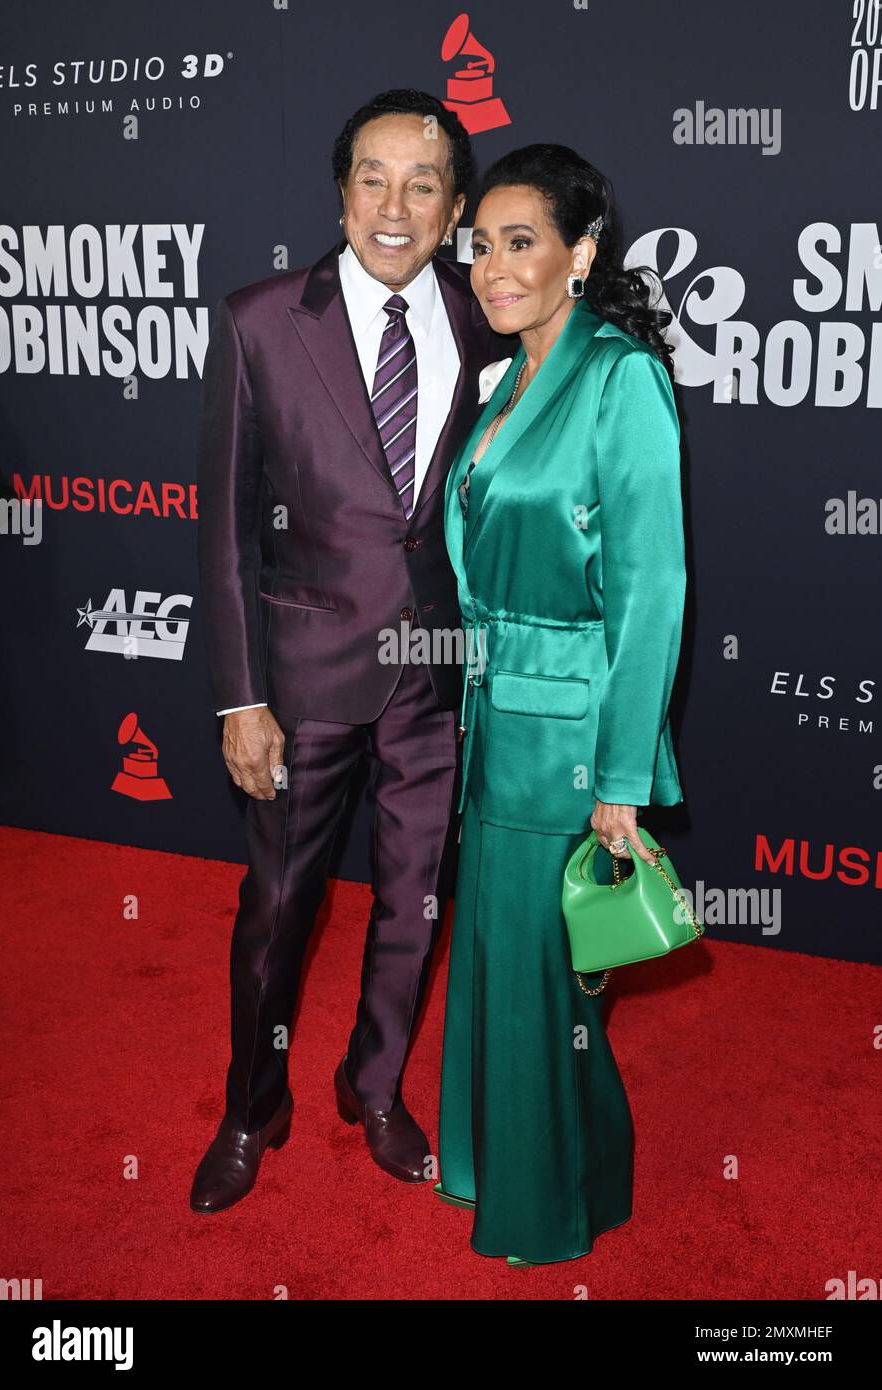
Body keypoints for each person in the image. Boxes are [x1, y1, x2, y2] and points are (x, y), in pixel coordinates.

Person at [190, 89, 510, 1213]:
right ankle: (250, 1102)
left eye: (423, 183)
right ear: (339, 192)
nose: (394, 203)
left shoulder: (487, 320)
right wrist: (239, 698)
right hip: (303, 683)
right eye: (372, 177)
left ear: (456, 205)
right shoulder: (260, 319)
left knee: (415, 904)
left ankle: (373, 1085)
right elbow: (227, 523)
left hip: (435, 679)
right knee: (278, 909)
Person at [435, 144, 688, 1265]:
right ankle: (500, 1160)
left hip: (573, 738)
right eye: (480, 243)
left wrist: (625, 777)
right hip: (495, 726)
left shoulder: (618, 377)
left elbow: (652, 588)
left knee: (554, 979)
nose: (493, 266)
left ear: (581, 253)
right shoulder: (508, 379)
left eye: (520, 241)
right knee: (500, 957)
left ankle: (559, 1197)